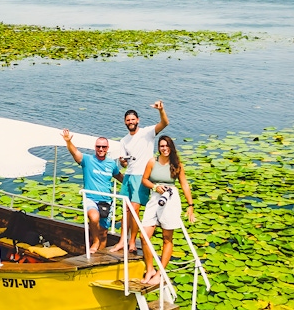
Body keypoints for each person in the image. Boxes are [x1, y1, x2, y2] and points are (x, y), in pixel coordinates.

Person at [110, 100, 169, 253]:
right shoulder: (124, 140)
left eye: (133, 119)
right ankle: (122, 241)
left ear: (138, 120)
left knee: (135, 209)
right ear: (125, 122)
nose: (131, 122)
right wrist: (122, 162)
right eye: (128, 120)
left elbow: (164, 123)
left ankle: (131, 242)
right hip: (129, 175)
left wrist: (161, 110)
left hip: (141, 176)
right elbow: (124, 163)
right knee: (125, 210)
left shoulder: (147, 132)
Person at [140, 135, 196, 285]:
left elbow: (184, 185)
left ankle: (160, 273)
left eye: (166, 146)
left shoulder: (177, 164)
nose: (164, 149)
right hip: (155, 198)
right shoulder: (153, 161)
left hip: (171, 200)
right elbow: (144, 180)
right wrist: (155, 187)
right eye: (161, 146)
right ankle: (150, 268)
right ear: (158, 148)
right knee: (144, 236)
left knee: (167, 238)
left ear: (171, 147)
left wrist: (190, 206)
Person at [61, 129, 123, 253]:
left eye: (103, 147)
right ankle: (95, 242)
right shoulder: (88, 160)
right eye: (98, 146)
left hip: (106, 201)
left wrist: (135, 185)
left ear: (107, 148)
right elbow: (75, 153)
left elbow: (120, 177)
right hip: (90, 198)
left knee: (104, 234)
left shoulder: (111, 164)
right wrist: (68, 142)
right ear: (95, 147)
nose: (101, 149)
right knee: (94, 218)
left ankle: (98, 257)